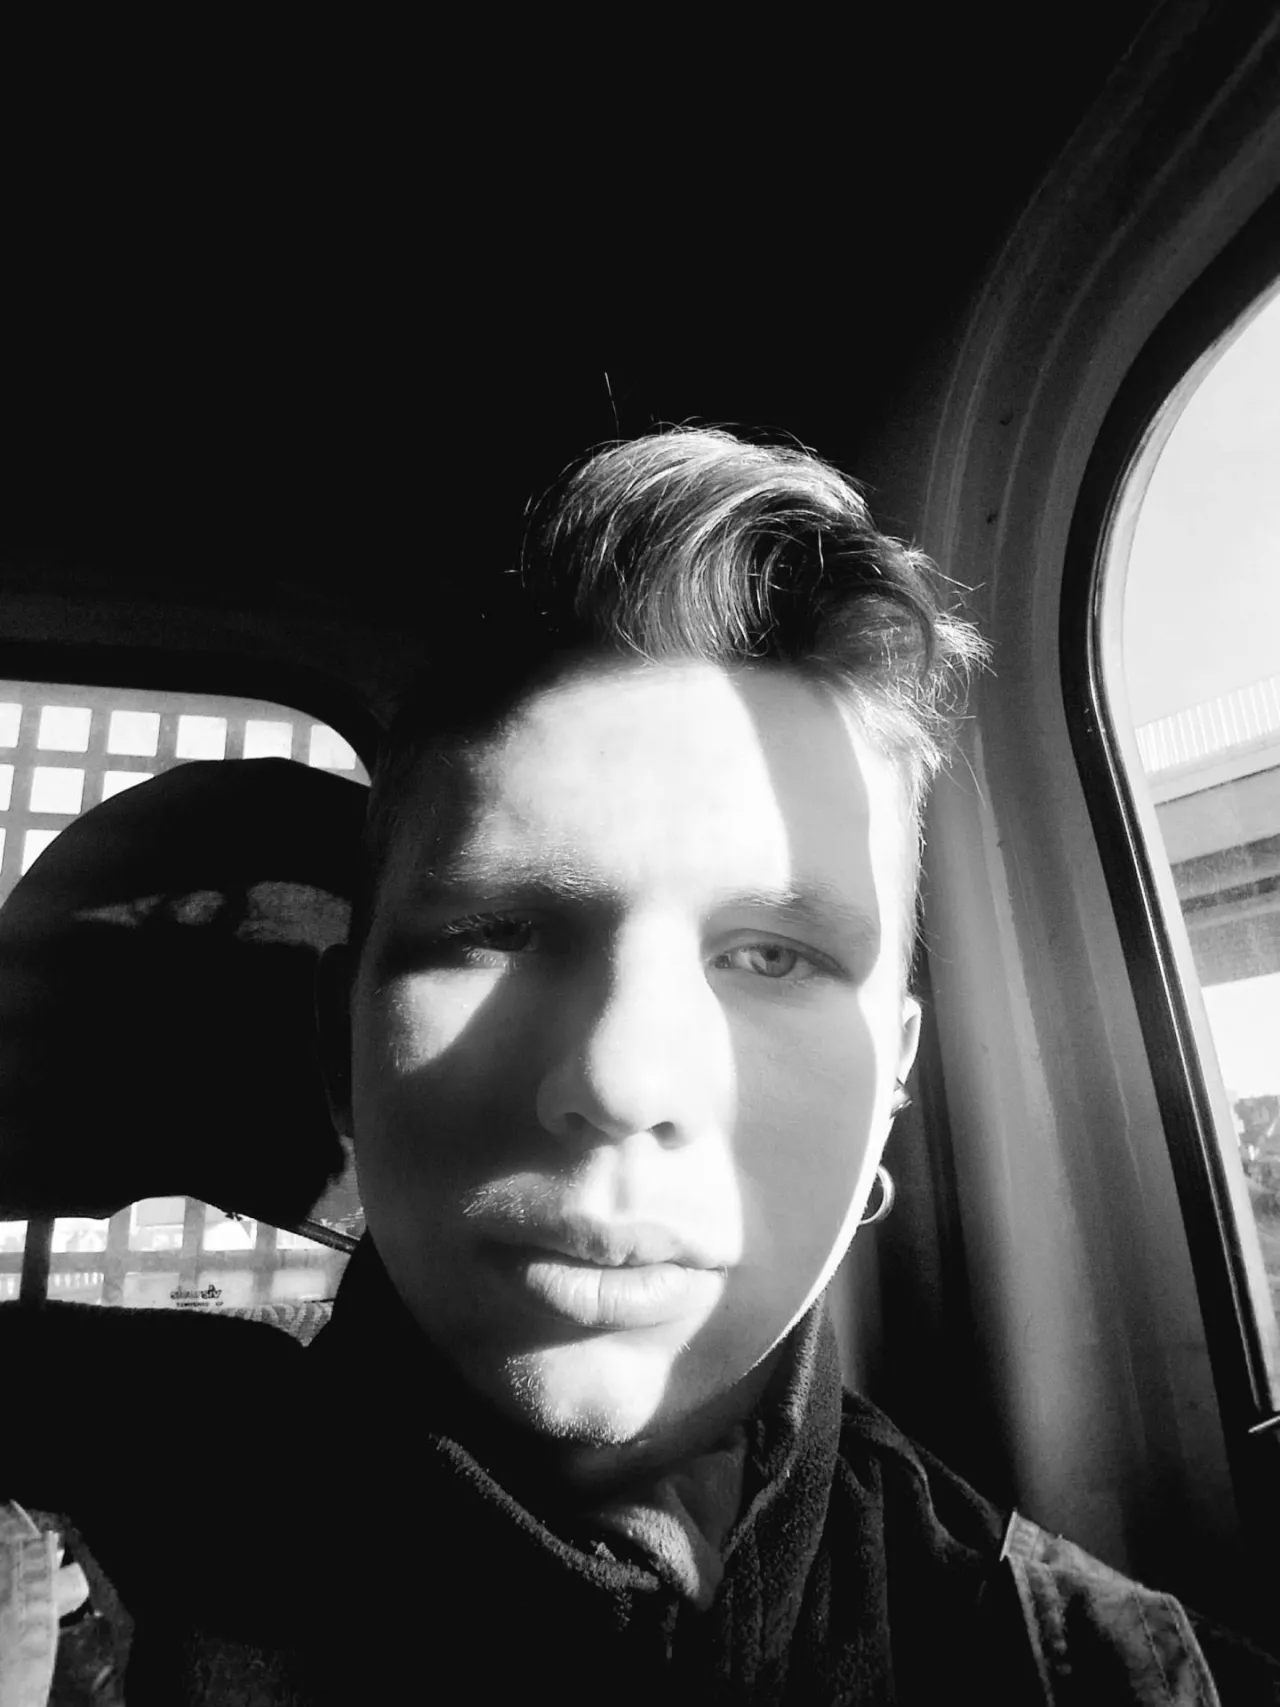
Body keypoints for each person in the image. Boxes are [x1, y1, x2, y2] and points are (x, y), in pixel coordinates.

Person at [6, 428, 1279, 1703]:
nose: (623, 1083)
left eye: (770, 956)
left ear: (889, 1078)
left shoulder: (1107, 1673)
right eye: (497, 932)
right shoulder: (55, 1570)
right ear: (343, 1044)